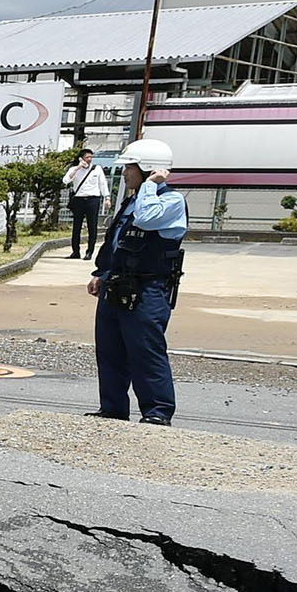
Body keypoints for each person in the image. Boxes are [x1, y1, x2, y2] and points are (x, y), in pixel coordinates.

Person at [87, 137, 188, 426]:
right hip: (117, 284)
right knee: (110, 350)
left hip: (148, 288)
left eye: (130, 167)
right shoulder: (133, 201)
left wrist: (150, 185)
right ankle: (113, 408)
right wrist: (101, 273)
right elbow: (116, 241)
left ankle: (157, 410)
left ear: (147, 169)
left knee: (145, 350)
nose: (125, 173)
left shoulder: (169, 201)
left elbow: (146, 220)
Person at [66, 150, 108, 259]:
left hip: (93, 199)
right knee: (77, 226)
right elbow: (65, 180)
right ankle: (75, 252)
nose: (89, 159)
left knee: (92, 226)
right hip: (79, 199)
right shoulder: (74, 169)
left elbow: (102, 183)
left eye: (91, 157)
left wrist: (107, 197)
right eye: (87, 157)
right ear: (81, 158)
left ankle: (89, 252)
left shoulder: (97, 169)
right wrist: (78, 168)